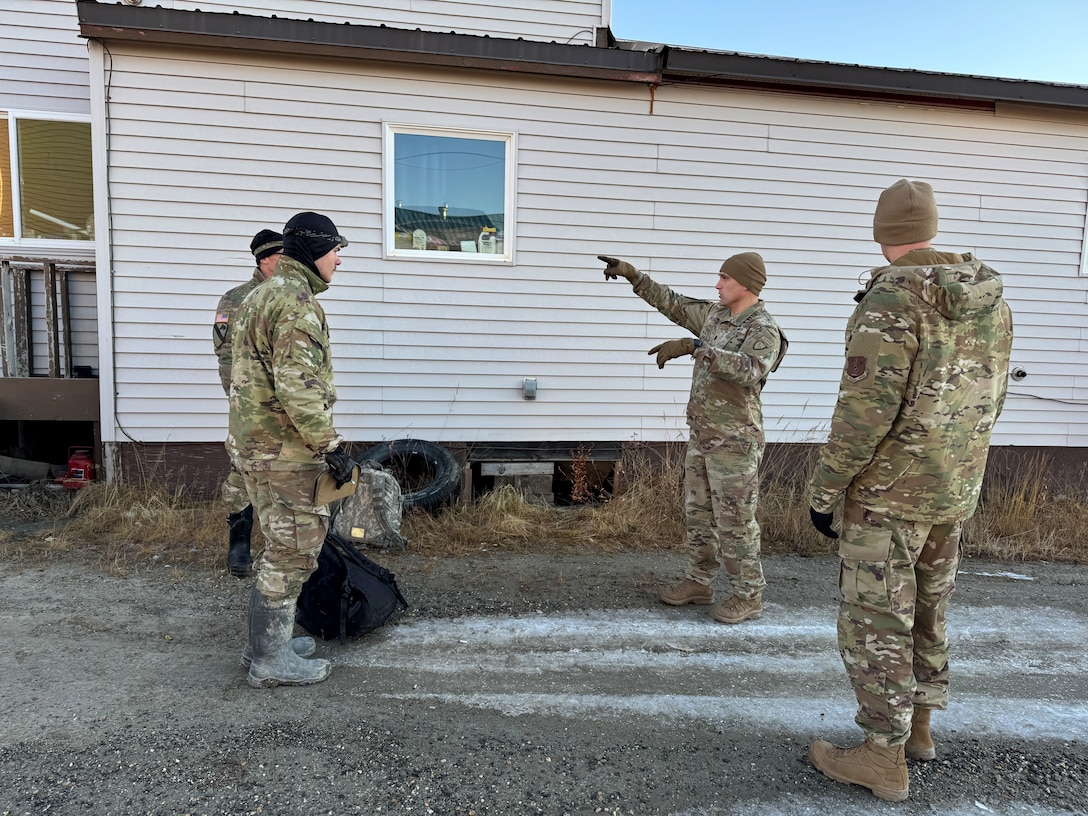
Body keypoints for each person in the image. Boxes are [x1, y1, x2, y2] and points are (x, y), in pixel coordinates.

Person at [806, 179, 1014, 801]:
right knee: (929, 608)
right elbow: (991, 395)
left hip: (888, 497)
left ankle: (881, 756)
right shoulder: (990, 300)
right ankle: (918, 729)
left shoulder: (891, 300)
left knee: (875, 622)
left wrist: (825, 491)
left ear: (882, 232)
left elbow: (863, 412)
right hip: (952, 488)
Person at [598, 252, 786, 624]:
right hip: (702, 434)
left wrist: (696, 348)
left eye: (724, 279)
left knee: (735, 519)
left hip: (735, 441)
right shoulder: (716, 315)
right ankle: (700, 581)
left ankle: (749, 595)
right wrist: (635, 276)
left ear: (746, 285)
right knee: (699, 514)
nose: (717, 285)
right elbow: (675, 304)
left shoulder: (763, 329)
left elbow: (749, 370)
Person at [227, 211, 355, 688]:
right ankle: (270, 662)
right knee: (294, 551)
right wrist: (331, 445)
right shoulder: (296, 303)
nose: (339, 261)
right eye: (336, 251)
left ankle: (264, 646)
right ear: (314, 250)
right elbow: (297, 387)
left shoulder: (260, 295)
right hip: (285, 450)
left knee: (277, 545)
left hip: (254, 444)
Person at [213, 229, 283, 577]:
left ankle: (284, 550)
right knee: (242, 471)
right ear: (263, 260)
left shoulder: (289, 296)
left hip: (287, 408)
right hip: (251, 407)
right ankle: (239, 545)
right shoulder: (237, 299)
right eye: (281, 257)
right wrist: (246, 403)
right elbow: (226, 358)